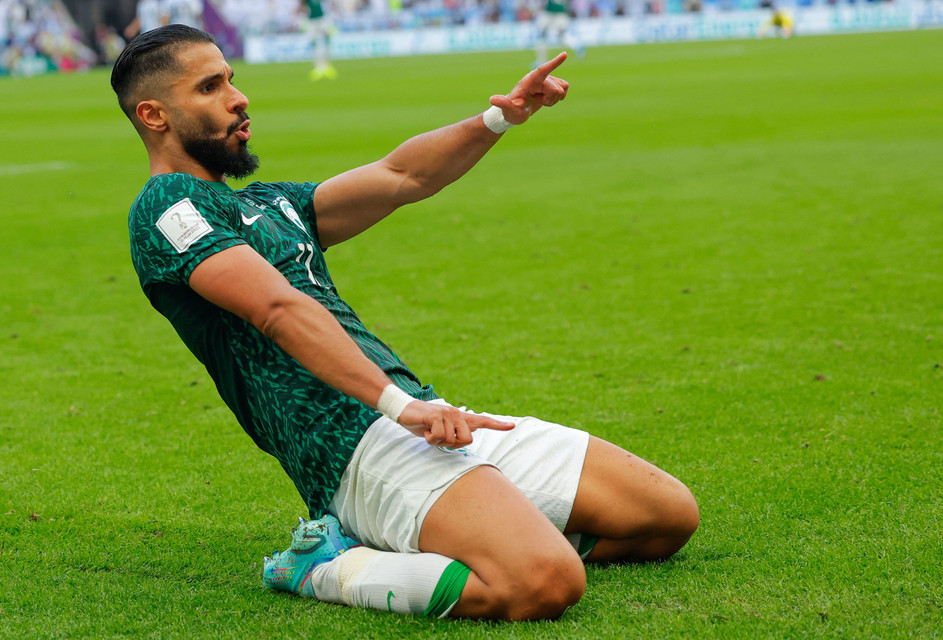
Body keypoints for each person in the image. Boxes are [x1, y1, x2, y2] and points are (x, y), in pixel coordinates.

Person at [110, 25, 699, 621]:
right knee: (544, 581)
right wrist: (398, 405)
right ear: (154, 115)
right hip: (349, 448)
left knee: (667, 517)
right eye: (210, 87)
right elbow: (277, 310)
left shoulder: (266, 203)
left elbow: (402, 177)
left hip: (412, 413)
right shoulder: (168, 209)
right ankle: (325, 567)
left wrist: (498, 119)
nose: (238, 98)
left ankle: (477, 529)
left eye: (231, 79)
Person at [300, 0, 336, 80]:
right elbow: (303, 5)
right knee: (314, 43)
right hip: (311, 21)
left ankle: (327, 66)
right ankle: (318, 67)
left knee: (327, 41)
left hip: (322, 19)